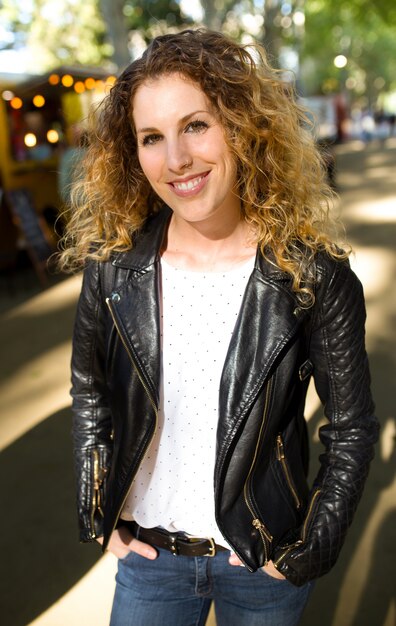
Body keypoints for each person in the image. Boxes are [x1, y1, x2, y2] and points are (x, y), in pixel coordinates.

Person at [59, 29, 379, 626]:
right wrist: (96, 511)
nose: (176, 158)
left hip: (262, 563)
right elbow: (89, 392)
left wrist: (312, 546)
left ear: (241, 126)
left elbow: (353, 427)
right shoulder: (113, 272)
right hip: (149, 559)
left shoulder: (311, 276)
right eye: (152, 137)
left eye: (196, 125)